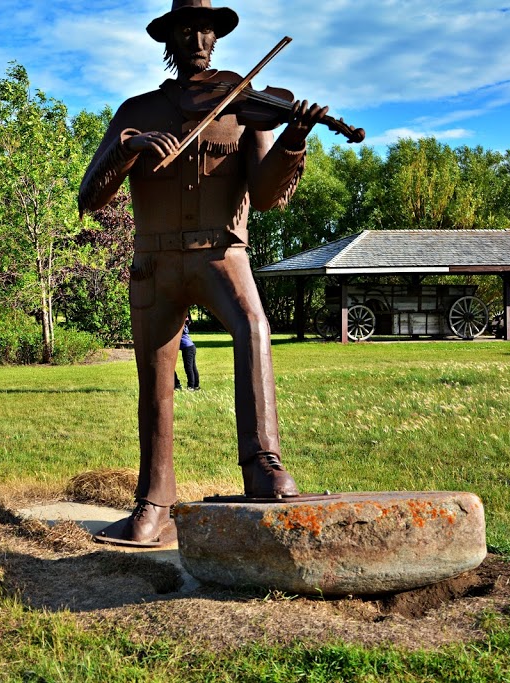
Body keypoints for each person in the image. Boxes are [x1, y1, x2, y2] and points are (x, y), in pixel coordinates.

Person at [79, 0, 328, 545]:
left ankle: (263, 464)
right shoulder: (138, 109)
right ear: (169, 38)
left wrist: (293, 140)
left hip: (222, 254)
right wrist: (130, 149)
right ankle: (154, 502)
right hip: (155, 261)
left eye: (207, 30)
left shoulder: (243, 105)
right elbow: (90, 197)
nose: (198, 38)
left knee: (254, 329)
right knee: (154, 377)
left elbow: (264, 197)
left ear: (217, 39)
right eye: (187, 29)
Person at [174, 315, 200, 391]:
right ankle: (196, 386)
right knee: (193, 367)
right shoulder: (184, 326)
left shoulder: (182, 326)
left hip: (187, 348)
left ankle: (191, 386)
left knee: (189, 368)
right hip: (191, 347)